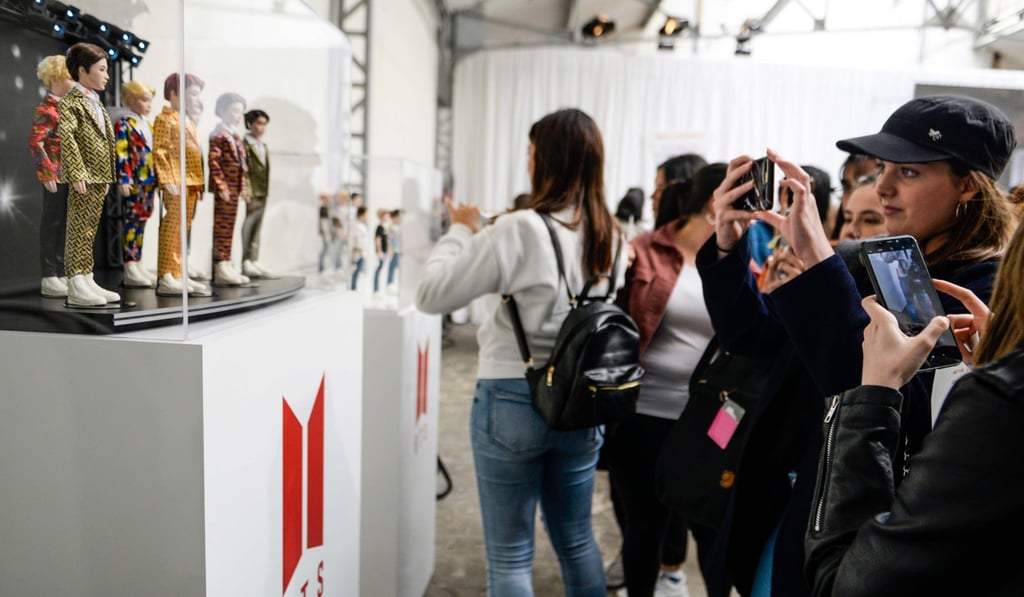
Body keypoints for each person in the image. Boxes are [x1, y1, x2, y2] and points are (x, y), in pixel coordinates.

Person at [704, 94, 1017, 596]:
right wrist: (727, 247)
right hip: (800, 499)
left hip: (874, 531)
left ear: (967, 186)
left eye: (909, 172)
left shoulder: (983, 294)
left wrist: (819, 261)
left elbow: (872, 394)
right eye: (882, 168)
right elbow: (755, 341)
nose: (884, 187)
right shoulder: (862, 262)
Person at [416, 108, 623, 596]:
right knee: (577, 540)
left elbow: (431, 294)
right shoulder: (613, 234)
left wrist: (460, 229)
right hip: (582, 402)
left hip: (512, 394)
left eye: (531, 152)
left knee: (510, 556)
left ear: (544, 160)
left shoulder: (520, 228)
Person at [805, 219, 1024, 596]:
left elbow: (845, 583)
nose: (885, 191)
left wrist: (875, 390)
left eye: (867, 218)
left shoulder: (999, 401)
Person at [608, 166, 726, 597]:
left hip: (710, 421)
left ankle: (675, 578)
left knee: (711, 526)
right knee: (644, 526)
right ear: (715, 202)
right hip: (643, 412)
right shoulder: (645, 250)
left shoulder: (743, 260)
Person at [57, 42, 119, 307]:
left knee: (89, 229)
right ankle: (75, 281)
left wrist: (107, 174)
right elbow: (67, 137)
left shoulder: (95, 102)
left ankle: (86, 276)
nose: (107, 76)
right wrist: (75, 171)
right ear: (82, 70)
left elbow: (105, 140)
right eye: (101, 69)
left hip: (98, 175)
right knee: (77, 228)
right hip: (83, 175)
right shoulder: (71, 102)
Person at [153, 72, 210, 296]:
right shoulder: (164, 118)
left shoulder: (186, 120)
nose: (196, 99)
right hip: (175, 181)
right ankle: (166, 274)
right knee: (172, 226)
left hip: (190, 182)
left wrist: (199, 184)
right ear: (174, 94)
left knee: (182, 229)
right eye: (192, 94)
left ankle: (177, 272)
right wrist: (166, 179)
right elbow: (160, 151)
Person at [28, 54, 73, 298]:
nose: (73, 83)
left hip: (71, 175)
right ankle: (49, 274)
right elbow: (36, 142)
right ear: (55, 79)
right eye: (69, 78)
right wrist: (46, 172)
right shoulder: (47, 110)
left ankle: (62, 271)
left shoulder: (69, 109)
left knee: (66, 223)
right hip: (55, 176)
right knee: (52, 222)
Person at [114, 80, 159, 288]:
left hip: (149, 180)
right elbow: (121, 152)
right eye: (144, 100)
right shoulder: (125, 124)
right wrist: (124, 177)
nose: (149, 105)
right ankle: (130, 264)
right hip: (134, 180)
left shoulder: (147, 125)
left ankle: (137, 262)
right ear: (130, 100)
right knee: (132, 221)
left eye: (150, 100)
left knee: (142, 220)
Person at [208, 92, 250, 286]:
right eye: (234, 111)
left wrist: (243, 187)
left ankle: (226, 262)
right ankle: (220, 264)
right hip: (225, 188)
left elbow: (242, 165)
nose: (238, 116)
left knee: (229, 226)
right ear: (222, 111)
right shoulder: (219, 134)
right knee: (222, 227)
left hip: (235, 188)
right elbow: (214, 162)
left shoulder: (234, 135)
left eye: (240, 112)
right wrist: (221, 185)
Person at [242, 108, 273, 278]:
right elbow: (244, 169)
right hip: (252, 191)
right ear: (250, 123)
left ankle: (253, 258)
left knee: (258, 226)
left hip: (262, 191)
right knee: (250, 223)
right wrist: (246, 189)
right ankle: (246, 260)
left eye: (264, 124)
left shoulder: (263, 146)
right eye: (259, 123)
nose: (262, 128)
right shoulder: (245, 144)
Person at [349, 206, 369, 291]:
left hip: (362, 251)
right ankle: (353, 287)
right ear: (362, 215)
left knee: (358, 270)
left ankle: (354, 287)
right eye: (366, 214)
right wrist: (362, 252)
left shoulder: (362, 225)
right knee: (356, 270)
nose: (367, 216)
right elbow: (358, 241)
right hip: (358, 252)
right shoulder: (357, 226)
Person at [373, 208, 390, 295]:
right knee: (379, 269)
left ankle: (377, 289)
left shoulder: (383, 227)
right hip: (381, 252)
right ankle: (376, 290)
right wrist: (379, 251)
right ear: (382, 216)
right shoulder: (379, 227)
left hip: (384, 251)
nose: (387, 217)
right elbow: (378, 240)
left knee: (380, 268)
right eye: (386, 216)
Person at [386, 208, 402, 291]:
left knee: (396, 266)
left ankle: (392, 282)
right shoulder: (391, 227)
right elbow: (389, 239)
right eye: (398, 217)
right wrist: (390, 249)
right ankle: (390, 283)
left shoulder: (399, 226)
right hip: (395, 249)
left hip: (399, 249)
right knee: (392, 266)